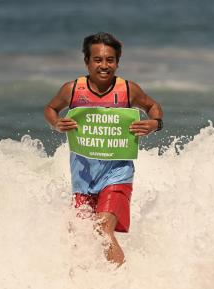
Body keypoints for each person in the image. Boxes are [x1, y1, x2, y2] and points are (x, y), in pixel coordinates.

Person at [44, 32, 163, 266]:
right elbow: (50, 108)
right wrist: (56, 124)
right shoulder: (73, 89)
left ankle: (122, 284)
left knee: (101, 228)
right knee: (77, 236)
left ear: (117, 63)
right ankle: (85, 288)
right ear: (87, 61)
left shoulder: (129, 90)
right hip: (83, 178)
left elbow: (152, 106)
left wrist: (154, 124)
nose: (104, 65)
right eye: (98, 60)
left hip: (117, 174)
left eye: (110, 60)